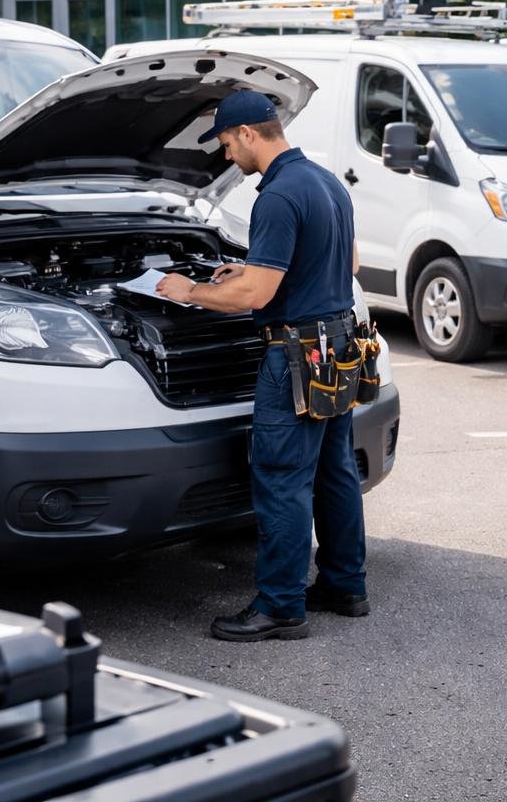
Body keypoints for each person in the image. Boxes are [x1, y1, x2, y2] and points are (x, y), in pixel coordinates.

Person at [157, 89, 370, 642]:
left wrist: (192, 289)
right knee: (334, 470)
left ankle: (280, 605)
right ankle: (346, 585)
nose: (228, 157)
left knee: (282, 481)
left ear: (249, 134)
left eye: (227, 144)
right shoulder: (326, 182)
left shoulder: (275, 196)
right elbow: (344, 263)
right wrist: (250, 267)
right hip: (340, 347)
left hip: (296, 357)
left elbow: (253, 298)